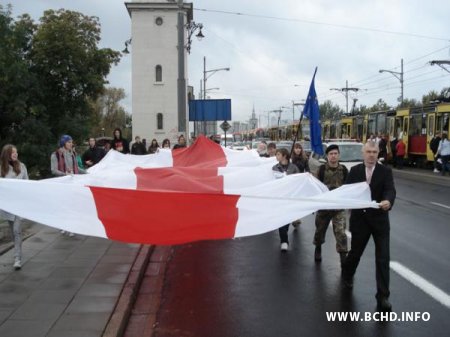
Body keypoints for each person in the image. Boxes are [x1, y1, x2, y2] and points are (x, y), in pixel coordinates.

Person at [342, 141, 396, 312]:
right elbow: (347, 191)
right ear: (363, 153)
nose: (372, 155)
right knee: (355, 253)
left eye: (374, 151)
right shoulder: (355, 171)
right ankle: (347, 274)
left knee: (383, 258)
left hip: (380, 221)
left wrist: (388, 200)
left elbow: (390, 190)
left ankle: (383, 297)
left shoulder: (385, 171)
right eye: (368, 151)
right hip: (360, 221)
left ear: (378, 153)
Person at [313, 144, 348, 265]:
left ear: (338, 155)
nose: (333, 156)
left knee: (341, 233)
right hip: (324, 207)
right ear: (327, 156)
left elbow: (348, 187)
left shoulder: (343, 169)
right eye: (331, 154)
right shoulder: (322, 169)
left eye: (335, 154)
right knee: (320, 231)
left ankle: (343, 259)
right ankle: (318, 248)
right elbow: (316, 186)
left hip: (338, 207)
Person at [0, 144, 28, 270]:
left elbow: (28, 183)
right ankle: (17, 252)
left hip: (19, 204)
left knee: (17, 231)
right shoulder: (1, 169)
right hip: (7, 205)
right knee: (13, 232)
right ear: (7, 155)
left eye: (16, 152)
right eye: (13, 153)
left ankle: (17, 258)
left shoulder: (22, 167)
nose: (15, 154)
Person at [272, 148, 299, 251]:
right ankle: (284, 241)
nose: (276, 156)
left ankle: (284, 235)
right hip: (279, 198)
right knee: (281, 220)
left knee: (287, 219)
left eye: (278, 154)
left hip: (291, 198)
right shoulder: (275, 168)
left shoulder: (293, 168)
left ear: (284, 156)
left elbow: (298, 181)